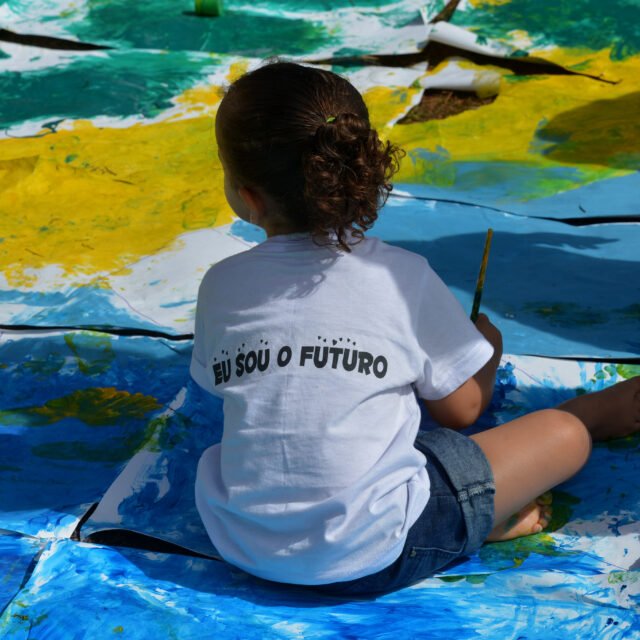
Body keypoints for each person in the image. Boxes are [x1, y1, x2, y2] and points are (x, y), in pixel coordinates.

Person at [190, 61, 640, 595]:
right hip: (380, 551)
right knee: (562, 435)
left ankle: (476, 516)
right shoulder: (399, 277)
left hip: (244, 544)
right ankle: (575, 430)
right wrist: (487, 351)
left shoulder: (220, 284)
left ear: (248, 195)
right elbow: (462, 411)